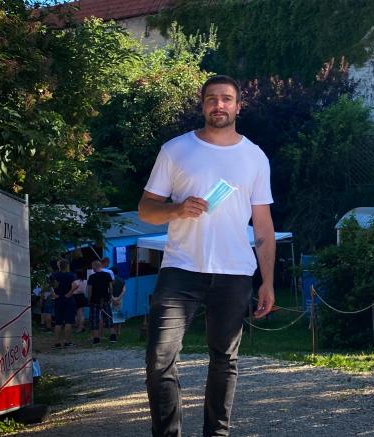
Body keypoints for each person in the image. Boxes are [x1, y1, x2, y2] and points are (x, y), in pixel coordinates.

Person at [138, 74, 275, 437]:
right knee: (159, 359)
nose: (219, 105)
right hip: (180, 269)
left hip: (234, 272)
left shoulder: (255, 157)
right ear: (202, 105)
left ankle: (217, 433)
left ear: (238, 106)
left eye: (227, 99)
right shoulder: (175, 150)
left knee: (225, 360)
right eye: (212, 99)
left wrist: (269, 282)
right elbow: (146, 209)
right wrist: (176, 209)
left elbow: (262, 226)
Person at [48, 259, 77, 349]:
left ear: (59, 266)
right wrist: (69, 293)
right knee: (68, 322)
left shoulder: (54, 275)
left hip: (58, 299)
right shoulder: (71, 275)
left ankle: (57, 342)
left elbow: (50, 286)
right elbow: (75, 286)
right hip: (68, 300)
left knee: (58, 322)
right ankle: (67, 342)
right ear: (67, 265)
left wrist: (53, 294)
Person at [87, 260, 115, 344]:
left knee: (94, 319)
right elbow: (110, 288)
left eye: (93, 267)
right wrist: (110, 297)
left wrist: (89, 299)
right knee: (108, 317)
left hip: (94, 300)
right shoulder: (107, 275)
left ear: (95, 266)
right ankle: (113, 336)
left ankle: (96, 339)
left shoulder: (92, 277)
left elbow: (89, 290)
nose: (92, 268)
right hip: (105, 299)